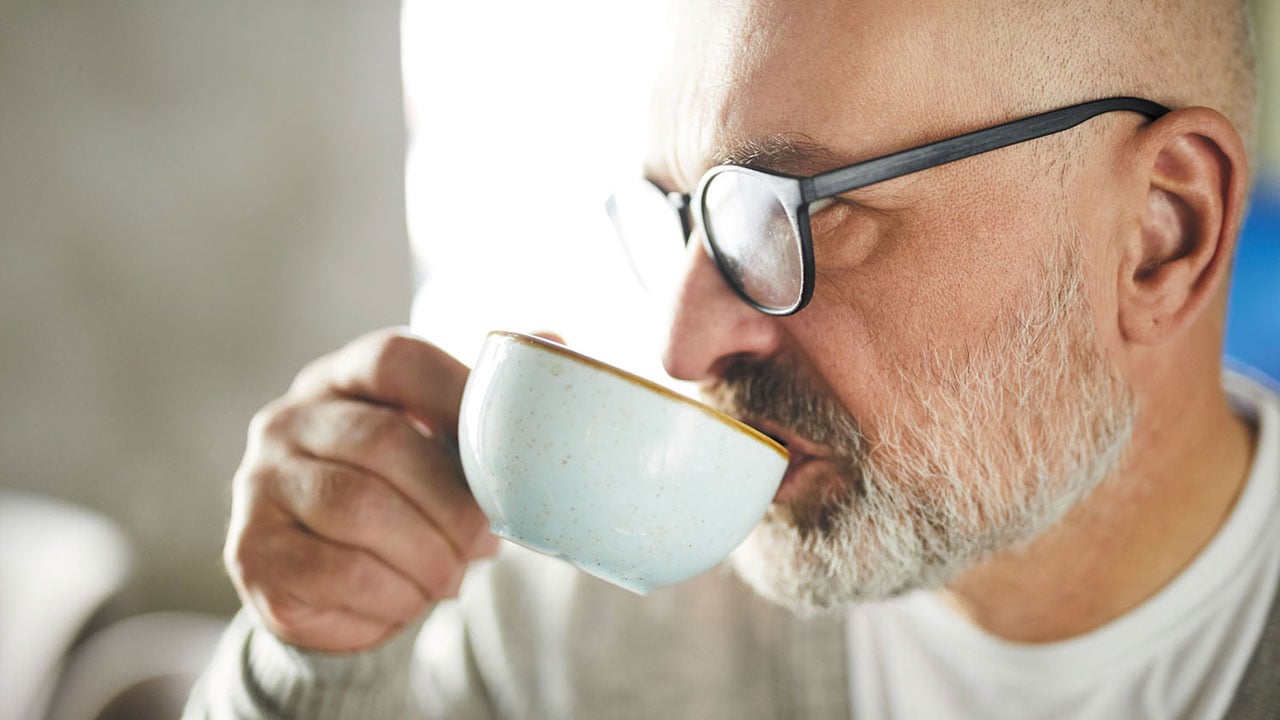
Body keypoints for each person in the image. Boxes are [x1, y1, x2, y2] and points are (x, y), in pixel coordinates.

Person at [185, 0, 1280, 717]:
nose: (686, 341)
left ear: (1157, 236)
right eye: (686, 217)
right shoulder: (585, 624)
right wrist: (311, 658)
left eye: (791, 214)